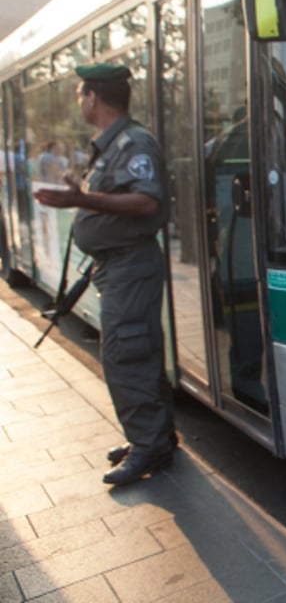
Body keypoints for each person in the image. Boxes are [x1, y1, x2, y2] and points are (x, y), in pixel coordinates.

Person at [34, 63, 176, 486]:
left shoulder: (133, 143)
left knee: (126, 354)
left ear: (93, 97)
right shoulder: (115, 144)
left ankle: (149, 447)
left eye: (81, 95)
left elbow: (146, 200)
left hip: (130, 265)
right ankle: (156, 438)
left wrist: (82, 199)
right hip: (119, 266)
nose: (80, 103)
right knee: (139, 351)